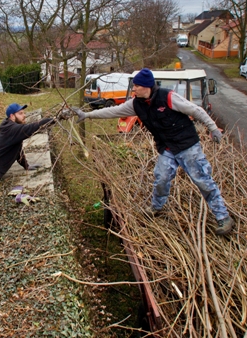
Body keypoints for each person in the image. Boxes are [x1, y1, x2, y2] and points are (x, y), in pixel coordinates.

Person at [75, 68, 235, 235]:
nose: (134, 89)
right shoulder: (135, 104)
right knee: (161, 177)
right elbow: (112, 111)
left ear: (147, 87)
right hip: (167, 147)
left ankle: (223, 217)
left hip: (187, 146)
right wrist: (86, 115)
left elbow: (196, 111)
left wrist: (213, 128)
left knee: (202, 181)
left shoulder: (168, 97)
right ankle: (156, 207)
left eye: (136, 86)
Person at [0, 103, 57, 203]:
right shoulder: (12, 129)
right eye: (20, 113)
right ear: (12, 116)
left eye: (24, 113)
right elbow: (32, 127)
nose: (24, 116)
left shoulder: (11, 129)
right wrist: (55, 119)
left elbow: (18, 151)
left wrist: (26, 166)